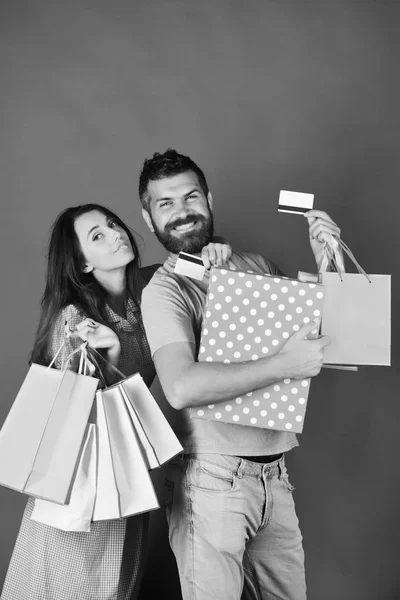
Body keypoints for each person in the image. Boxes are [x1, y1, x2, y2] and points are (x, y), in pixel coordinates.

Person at [139, 149, 342, 600]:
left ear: (208, 199)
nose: (181, 211)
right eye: (164, 203)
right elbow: (180, 387)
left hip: (274, 473)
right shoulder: (165, 290)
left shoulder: (257, 267)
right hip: (211, 481)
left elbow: (313, 340)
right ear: (148, 217)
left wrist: (324, 263)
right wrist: (284, 365)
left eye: (190, 196)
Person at [1, 203, 231, 600]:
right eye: (97, 237)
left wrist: (216, 248)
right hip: (83, 491)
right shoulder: (75, 319)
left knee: (117, 588)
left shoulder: (152, 287)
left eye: (112, 225)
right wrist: (105, 357)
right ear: (83, 265)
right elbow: (74, 425)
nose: (115, 234)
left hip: (127, 476)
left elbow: (202, 263)